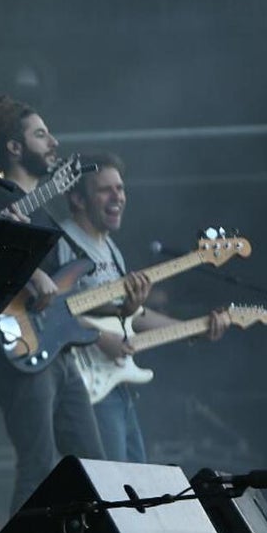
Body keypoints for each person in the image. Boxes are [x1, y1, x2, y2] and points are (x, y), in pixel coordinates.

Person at [0, 89, 106, 514]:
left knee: (94, 466)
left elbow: (58, 290)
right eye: (41, 135)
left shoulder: (42, 215)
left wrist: (116, 304)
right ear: (14, 147)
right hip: (19, 352)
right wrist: (31, 272)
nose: (53, 143)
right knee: (38, 467)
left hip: (59, 351)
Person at [55, 152, 229, 463]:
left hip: (116, 382)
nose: (117, 197)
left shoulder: (110, 248)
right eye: (105, 189)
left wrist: (197, 329)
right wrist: (99, 338)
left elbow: (134, 316)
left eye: (120, 188)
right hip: (84, 385)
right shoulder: (63, 243)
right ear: (78, 199)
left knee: (133, 486)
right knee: (109, 490)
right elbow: (52, 312)